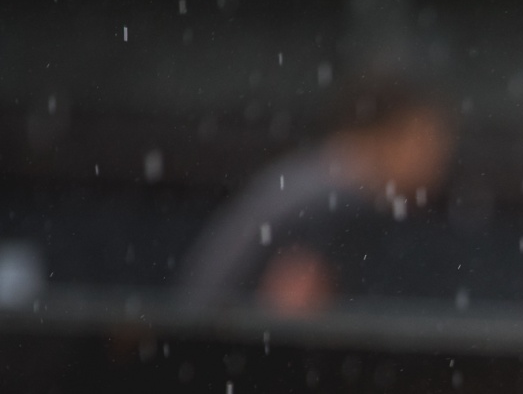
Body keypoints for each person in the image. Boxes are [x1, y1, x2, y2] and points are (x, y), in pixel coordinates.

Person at [173, 75, 454, 313]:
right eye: (427, 143)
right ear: (390, 135)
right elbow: (290, 314)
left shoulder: (318, 180)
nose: (440, 161)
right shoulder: (331, 201)